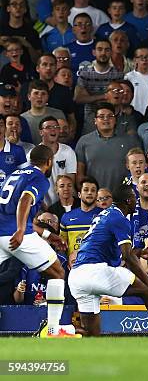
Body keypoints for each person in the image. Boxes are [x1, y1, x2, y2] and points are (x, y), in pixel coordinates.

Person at [0, 145, 78, 338]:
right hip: (17, 235)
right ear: (49, 161)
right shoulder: (39, 178)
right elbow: (25, 201)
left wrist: (48, 235)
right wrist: (19, 230)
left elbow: (18, 212)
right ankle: (53, 329)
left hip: (3, 232)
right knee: (58, 272)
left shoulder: (16, 173)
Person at [68, 184, 148, 336]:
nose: (136, 201)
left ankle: (57, 329)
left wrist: (138, 252)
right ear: (128, 201)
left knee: (91, 333)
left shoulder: (105, 214)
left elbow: (120, 253)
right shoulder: (119, 218)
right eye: (134, 198)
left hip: (77, 277)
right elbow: (128, 257)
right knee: (146, 291)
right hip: (96, 272)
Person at [75, 102, 141, 190]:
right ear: (95, 120)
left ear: (115, 120)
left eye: (110, 116)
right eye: (101, 116)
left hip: (123, 197)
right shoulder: (84, 141)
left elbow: (139, 169)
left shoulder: (130, 141)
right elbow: (80, 174)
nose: (106, 119)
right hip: (94, 197)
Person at [59, 176, 102, 267]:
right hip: (75, 266)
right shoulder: (67, 217)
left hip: (97, 266)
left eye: (93, 190)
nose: (89, 193)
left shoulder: (104, 216)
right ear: (79, 194)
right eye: (86, 190)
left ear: (97, 195)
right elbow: (62, 245)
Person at [35, 116, 77, 206]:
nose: (53, 130)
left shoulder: (68, 151)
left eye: (56, 127)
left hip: (63, 205)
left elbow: (70, 181)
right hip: (42, 207)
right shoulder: (32, 155)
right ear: (41, 132)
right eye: (49, 127)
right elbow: (31, 184)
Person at [21, 80, 66, 145]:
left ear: (48, 97)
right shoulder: (22, 119)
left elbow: (64, 139)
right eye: (36, 93)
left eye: (43, 94)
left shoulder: (58, 114)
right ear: (29, 96)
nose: (39, 97)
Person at [125, 46, 148, 115]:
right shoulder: (128, 77)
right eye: (141, 57)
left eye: (147, 57)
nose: (144, 59)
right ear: (135, 60)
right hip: (133, 114)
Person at [0, 115, 27, 188]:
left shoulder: (18, 150)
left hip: (10, 197)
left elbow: (25, 177)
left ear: (5, 128)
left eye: (1, 125)